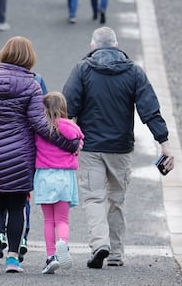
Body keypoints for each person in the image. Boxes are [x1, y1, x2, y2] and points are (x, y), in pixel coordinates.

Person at [62, 27, 175, 269]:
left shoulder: (83, 69)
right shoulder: (133, 71)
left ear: (94, 46)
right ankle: (115, 253)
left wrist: (66, 139)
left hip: (90, 146)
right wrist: (164, 143)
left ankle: (99, 243)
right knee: (116, 200)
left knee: (93, 197)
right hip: (120, 148)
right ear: (115, 45)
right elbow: (149, 109)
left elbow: (67, 107)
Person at [0, 37, 81, 274]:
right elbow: (40, 124)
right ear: (29, 58)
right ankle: (12, 259)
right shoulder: (31, 85)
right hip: (20, 156)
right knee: (17, 206)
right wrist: (67, 144)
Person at [34, 92, 84, 275]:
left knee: (48, 220)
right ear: (64, 108)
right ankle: (62, 242)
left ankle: (50, 256)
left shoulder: (41, 129)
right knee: (62, 219)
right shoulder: (71, 127)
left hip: (44, 177)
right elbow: (78, 144)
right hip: (64, 177)